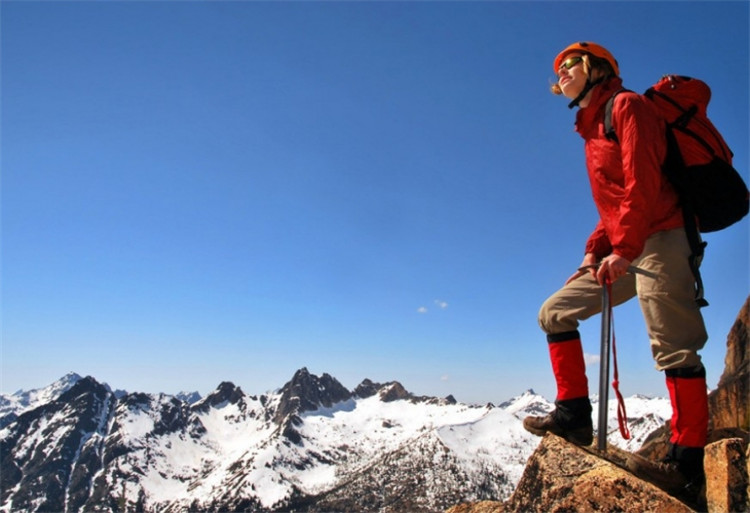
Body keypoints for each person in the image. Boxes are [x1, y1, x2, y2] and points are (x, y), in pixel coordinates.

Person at [522, 41, 709, 494]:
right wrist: (594, 249)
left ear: (595, 68)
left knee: (673, 346)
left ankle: (686, 466)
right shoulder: (590, 132)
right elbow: (615, 201)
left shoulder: (628, 107)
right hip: (626, 241)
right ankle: (573, 418)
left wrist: (622, 248)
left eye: (570, 64)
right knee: (555, 312)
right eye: (559, 69)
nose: (561, 73)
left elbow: (643, 182)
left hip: (661, 235)